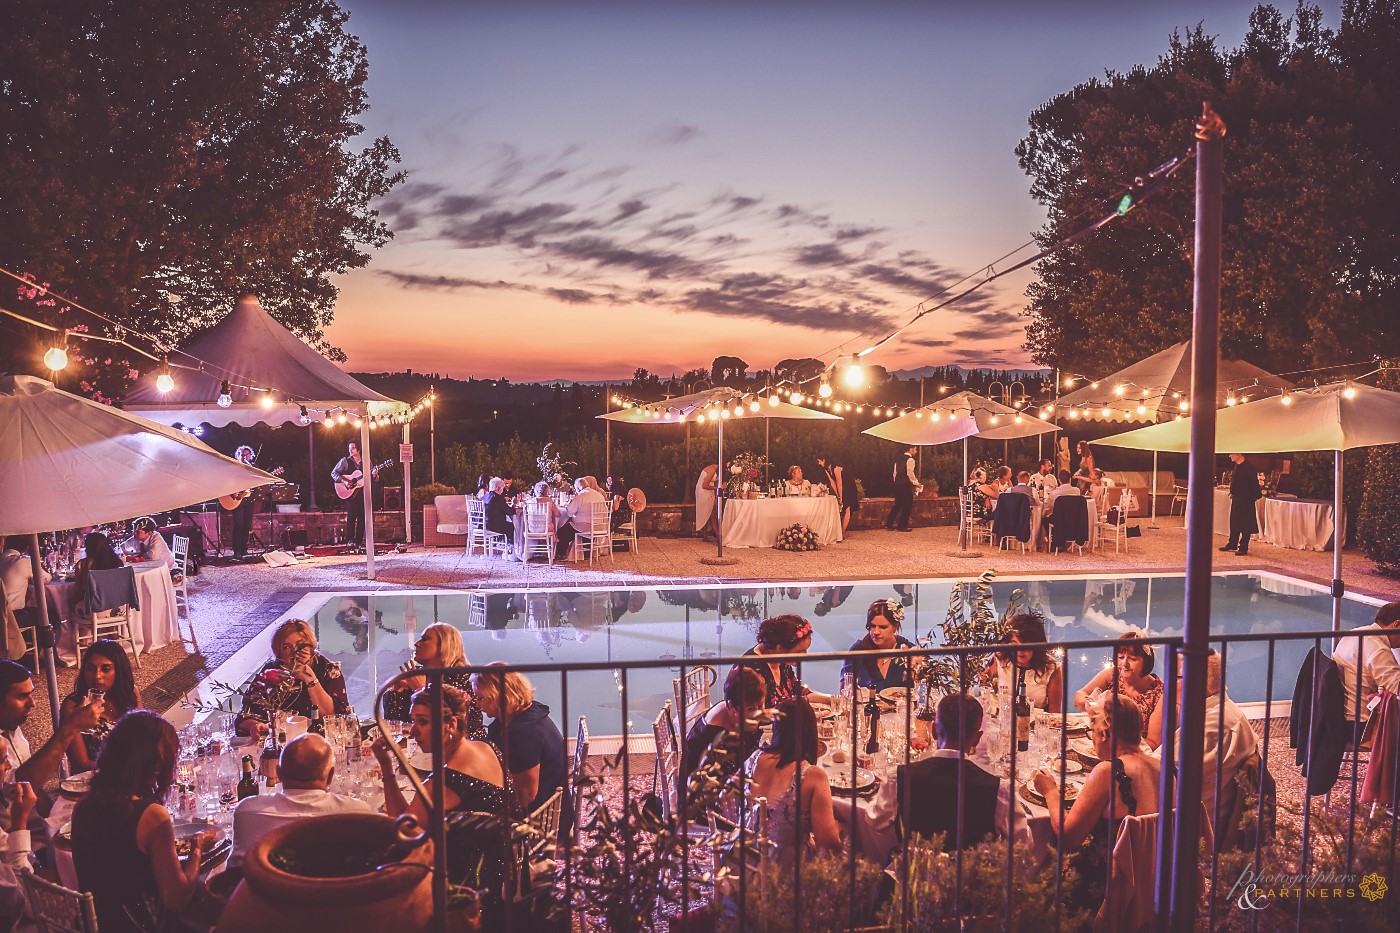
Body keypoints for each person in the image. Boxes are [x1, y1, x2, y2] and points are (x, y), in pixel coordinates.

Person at [72, 711, 217, 933]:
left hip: (96, 924)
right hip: (143, 925)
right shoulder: (152, 816)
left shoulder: (82, 807)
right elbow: (177, 899)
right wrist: (197, 847)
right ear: (157, 766)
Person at [374, 685, 510, 920]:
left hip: (471, 884)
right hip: (508, 864)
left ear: (452, 725)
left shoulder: (445, 782)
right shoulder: (486, 746)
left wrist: (387, 767)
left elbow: (402, 829)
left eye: (423, 722)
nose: (413, 731)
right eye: (413, 721)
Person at [1032, 693, 1159, 911]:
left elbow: (1068, 837)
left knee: (1035, 881)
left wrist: (1050, 791)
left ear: (1104, 733)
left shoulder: (1109, 772)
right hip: (1156, 884)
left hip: (1109, 888)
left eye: (1092, 732)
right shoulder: (1167, 770)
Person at [895, 693, 1031, 852]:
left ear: (933, 730)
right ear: (977, 739)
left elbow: (876, 821)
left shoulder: (899, 777)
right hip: (971, 875)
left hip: (913, 872)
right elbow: (1024, 845)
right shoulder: (998, 791)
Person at [230, 733, 371, 866]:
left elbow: (233, 876)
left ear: (278, 773)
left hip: (269, 891)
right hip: (335, 891)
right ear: (330, 776)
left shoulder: (247, 812)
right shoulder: (359, 812)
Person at [743, 697, 842, 867]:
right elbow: (828, 848)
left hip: (745, 865)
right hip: (785, 878)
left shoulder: (754, 758)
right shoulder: (813, 777)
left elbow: (727, 805)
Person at [0, 659, 101, 823]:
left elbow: (35, 786)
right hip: (12, 837)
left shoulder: (11, 724)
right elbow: (19, 786)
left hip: (35, 825)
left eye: (31, 694)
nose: (33, 703)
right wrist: (70, 728)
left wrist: (56, 820)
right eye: (22, 696)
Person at [472, 665, 570, 833]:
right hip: (538, 807)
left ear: (497, 697)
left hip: (541, 822)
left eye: (480, 698)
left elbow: (524, 797)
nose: (477, 704)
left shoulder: (524, 733)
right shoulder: (519, 712)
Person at [236, 620, 349, 737]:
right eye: (287, 647)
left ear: (310, 647)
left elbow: (334, 718)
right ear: (279, 653)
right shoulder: (271, 671)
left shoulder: (328, 669)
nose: (295, 652)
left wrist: (310, 678)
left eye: (300, 645)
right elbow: (244, 716)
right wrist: (255, 726)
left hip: (320, 740)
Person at [385, 623, 485, 737]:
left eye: (425, 639)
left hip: (465, 747)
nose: (416, 643)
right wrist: (395, 692)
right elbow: (394, 726)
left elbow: (462, 727)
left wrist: (422, 690)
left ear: (444, 645)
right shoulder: (417, 675)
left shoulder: (462, 676)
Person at [680, 666, 767, 790]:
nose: (758, 713)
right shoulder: (715, 739)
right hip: (703, 799)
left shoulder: (730, 709)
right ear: (732, 708)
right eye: (751, 709)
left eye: (761, 705)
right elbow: (725, 786)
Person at [1072, 632, 1164, 750]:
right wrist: (1089, 703)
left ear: (1146, 662)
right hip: (1102, 745)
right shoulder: (1112, 675)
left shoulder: (1159, 693)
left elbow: (1153, 743)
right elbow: (1079, 695)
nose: (1124, 663)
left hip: (1135, 753)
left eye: (1132, 659)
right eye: (1121, 657)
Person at [60, 639, 141, 771]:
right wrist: (123, 770)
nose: (97, 676)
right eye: (91, 669)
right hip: (93, 779)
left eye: (105, 669)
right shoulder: (73, 706)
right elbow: (81, 764)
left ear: (119, 671)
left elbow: (142, 735)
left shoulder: (130, 693)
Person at [1331, 601, 1400, 727]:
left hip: (1341, 716)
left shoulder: (1356, 633)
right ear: (1397, 625)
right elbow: (1397, 687)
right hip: (1360, 726)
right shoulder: (1377, 648)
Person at [740, 614, 828, 707]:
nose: (805, 655)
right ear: (780, 648)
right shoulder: (750, 669)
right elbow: (751, 713)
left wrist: (835, 699)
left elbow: (801, 695)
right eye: (799, 651)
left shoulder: (782, 660)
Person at [983, 613, 1063, 711]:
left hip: (1035, 724)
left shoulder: (1051, 668)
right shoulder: (999, 659)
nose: (1020, 650)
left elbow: (1055, 713)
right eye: (1014, 644)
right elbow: (985, 692)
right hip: (1004, 722)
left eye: (1026, 644)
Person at [841, 599, 921, 691]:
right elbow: (844, 691)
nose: (876, 632)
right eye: (872, 626)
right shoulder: (858, 651)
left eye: (883, 627)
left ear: (895, 627)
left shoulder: (910, 652)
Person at [555, 476, 607, 560]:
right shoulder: (599, 495)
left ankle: (561, 555)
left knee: (562, 532)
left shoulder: (581, 496)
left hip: (583, 527)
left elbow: (570, 513)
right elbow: (605, 512)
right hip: (599, 526)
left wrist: (569, 504)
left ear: (578, 488)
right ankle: (587, 553)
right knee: (578, 527)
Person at [1220, 453, 1262, 555]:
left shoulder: (1248, 467)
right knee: (1234, 521)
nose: (1230, 456)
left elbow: (1254, 484)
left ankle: (1243, 547)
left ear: (1238, 454)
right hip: (1237, 499)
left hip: (1246, 499)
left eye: (1231, 454)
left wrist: (1255, 496)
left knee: (1245, 523)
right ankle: (1232, 543)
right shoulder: (1237, 466)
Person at [331, 441, 366, 550]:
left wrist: (374, 475)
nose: (350, 450)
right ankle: (350, 540)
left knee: (362, 517)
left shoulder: (366, 461)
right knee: (351, 516)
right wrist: (345, 481)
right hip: (350, 493)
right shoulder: (345, 461)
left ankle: (359, 542)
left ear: (358, 449)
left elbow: (372, 478)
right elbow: (334, 473)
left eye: (353, 448)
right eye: (349, 448)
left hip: (363, 493)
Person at [0, 537, 49, 613]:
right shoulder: (23, 561)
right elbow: (46, 579)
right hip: (13, 616)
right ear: (26, 547)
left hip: (4, 614)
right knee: (53, 615)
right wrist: (40, 565)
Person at [816, 453, 859, 533]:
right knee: (841, 508)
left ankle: (842, 532)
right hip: (841, 487)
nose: (819, 463)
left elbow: (839, 483)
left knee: (847, 508)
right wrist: (838, 495)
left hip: (848, 487)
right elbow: (833, 483)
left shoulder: (836, 468)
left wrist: (841, 497)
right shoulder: (826, 469)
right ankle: (839, 531)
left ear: (824, 460)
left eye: (819, 461)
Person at [230, 445, 258, 559]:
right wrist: (233, 492)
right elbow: (229, 481)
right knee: (239, 525)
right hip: (238, 500)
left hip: (249, 500)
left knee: (246, 525)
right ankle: (236, 551)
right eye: (243, 454)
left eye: (247, 454)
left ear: (250, 455)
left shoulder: (254, 468)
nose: (245, 456)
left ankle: (244, 549)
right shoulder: (235, 467)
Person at [886, 445, 921, 532]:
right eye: (915, 449)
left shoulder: (898, 460)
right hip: (905, 484)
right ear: (910, 449)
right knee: (907, 505)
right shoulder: (910, 460)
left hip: (898, 484)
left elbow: (894, 473)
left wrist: (896, 482)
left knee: (897, 504)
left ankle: (889, 523)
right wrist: (916, 483)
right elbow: (910, 473)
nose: (916, 452)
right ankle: (902, 526)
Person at [482, 477, 517, 557]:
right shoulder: (498, 498)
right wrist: (514, 505)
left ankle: (504, 545)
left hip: (483, 525)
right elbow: (510, 512)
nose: (503, 490)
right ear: (498, 488)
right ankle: (511, 549)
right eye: (502, 488)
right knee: (512, 527)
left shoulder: (484, 497)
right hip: (494, 526)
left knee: (507, 524)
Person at [695, 462, 719, 541]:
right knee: (711, 513)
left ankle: (705, 536)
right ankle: (719, 536)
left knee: (706, 513)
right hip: (704, 492)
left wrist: (715, 496)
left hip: (709, 491)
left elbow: (713, 483)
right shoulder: (711, 470)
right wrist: (718, 488)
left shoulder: (715, 469)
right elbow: (704, 485)